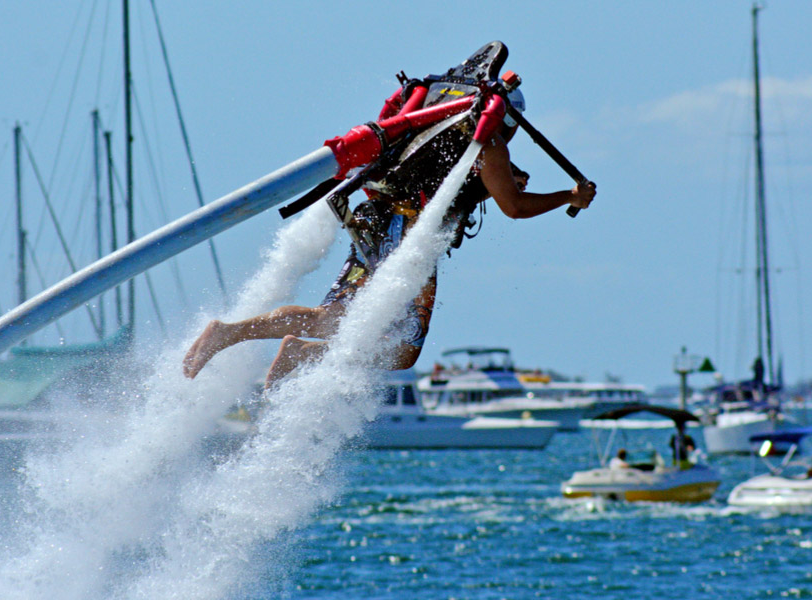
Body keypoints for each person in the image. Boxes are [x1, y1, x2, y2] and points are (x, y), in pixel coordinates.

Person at [183, 88, 596, 389]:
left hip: (377, 222)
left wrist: (501, 183)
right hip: (410, 239)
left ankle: (232, 334)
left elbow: (463, 185)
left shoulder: (440, 129)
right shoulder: (488, 146)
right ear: (507, 120)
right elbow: (516, 208)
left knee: (332, 319)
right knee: (406, 347)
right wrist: (569, 196)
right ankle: (301, 353)